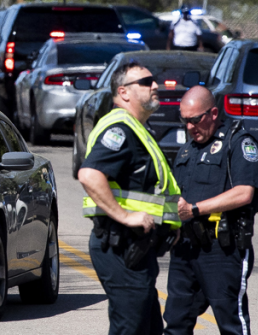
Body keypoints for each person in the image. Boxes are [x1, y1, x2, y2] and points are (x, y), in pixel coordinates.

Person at [78, 61, 182, 335]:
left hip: (137, 249)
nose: (155, 86)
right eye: (146, 82)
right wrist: (124, 216)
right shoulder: (120, 129)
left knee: (147, 328)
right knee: (131, 329)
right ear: (123, 92)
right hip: (120, 247)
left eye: (154, 80)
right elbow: (89, 175)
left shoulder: (138, 129)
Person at [163, 86, 258, 335]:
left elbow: (244, 192)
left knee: (231, 322)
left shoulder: (238, 143)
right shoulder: (188, 149)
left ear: (213, 113)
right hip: (185, 247)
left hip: (223, 249)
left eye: (195, 120)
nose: (189, 127)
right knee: (176, 321)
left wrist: (195, 210)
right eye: (184, 120)